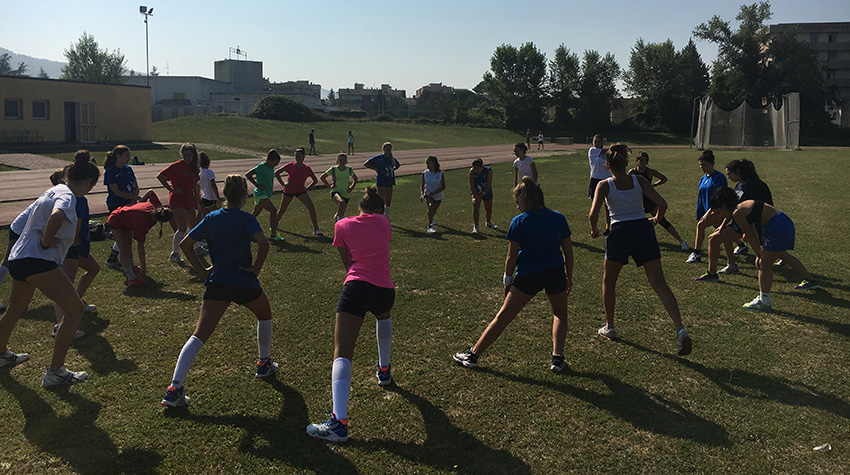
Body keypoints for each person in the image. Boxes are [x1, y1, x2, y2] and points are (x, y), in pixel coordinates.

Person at [161, 175, 277, 407]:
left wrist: (204, 271)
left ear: (224, 193)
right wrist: (255, 269)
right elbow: (263, 243)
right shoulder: (246, 219)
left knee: (198, 335)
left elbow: (185, 244)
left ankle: (174, 388)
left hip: (218, 282)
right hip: (244, 281)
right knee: (265, 316)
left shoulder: (212, 217)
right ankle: (264, 364)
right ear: (244, 197)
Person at [0, 151, 100, 387]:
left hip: (19, 258)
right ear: (87, 182)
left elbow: (21, 222)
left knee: (15, 309)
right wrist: (46, 240)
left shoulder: (52, 190)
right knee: (75, 310)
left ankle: (1, 353)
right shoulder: (68, 196)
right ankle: (55, 371)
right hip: (38, 260)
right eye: (91, 185)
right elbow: (57, 216)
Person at [453, 177, 574, 372]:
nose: (517, 207)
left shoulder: (519, 221)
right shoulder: (558, 218)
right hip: (555, 271)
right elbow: (568, 251)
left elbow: (511, 257)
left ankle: (473, 354)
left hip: (528, 274)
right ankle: (557, 359)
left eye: (518, 202)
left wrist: (507, 281)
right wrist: (569, 275)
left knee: (503, 317)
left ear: (526, 199)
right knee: (560, 314)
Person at [306, 186, 395, 443]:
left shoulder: (342, 225)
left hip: (356, 286)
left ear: (360, 207)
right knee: (383, 318)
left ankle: (339, 423)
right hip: (385, 288)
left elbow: (347, 261)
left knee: (342, 351)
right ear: (378, 209)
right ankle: (384, 370)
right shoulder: (384, 222)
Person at [589, 144, 692, 356]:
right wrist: (655, 221)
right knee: (659, 283)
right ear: (626, 163)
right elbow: (662, 204)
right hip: (643, 229)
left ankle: (610, 326)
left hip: (620, 231)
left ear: (607, 165)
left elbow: (593, 214)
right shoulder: (640, 180)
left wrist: (594, 230)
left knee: (609, 281)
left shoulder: (605, 185)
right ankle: (680, 329)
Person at [708, 187, 818, 312]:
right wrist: (758, 252)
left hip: (778, 228)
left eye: (718, 212)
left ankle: (764, 302)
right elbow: (752, 232)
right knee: (782, 255)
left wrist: (758, 255)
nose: (719, 216)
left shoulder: (737, 212)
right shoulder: (743, 207)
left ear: (724, 206)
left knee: (762, 264)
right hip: (782, 224)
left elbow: (750, 234)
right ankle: (810, 280)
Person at [697, 159, 774, 281]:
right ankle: (730, 265)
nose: (728, 177)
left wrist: (747, 230)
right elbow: (731, 208)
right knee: (716, 237)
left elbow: (764, 208)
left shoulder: (757, 186)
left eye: (729, 174)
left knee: (714, 239)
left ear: (738, 172)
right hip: (739, 223)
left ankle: (713, 273)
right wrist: (722, 226)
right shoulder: (739, 185)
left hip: (753, 224)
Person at [50, 166, 99, 340]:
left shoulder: (72, 197)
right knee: (64, 285)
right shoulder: (71, 198)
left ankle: (77, 302)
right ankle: (60, 325)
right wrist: (74, 237)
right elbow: (74, 221)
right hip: (71, 246)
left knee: (93, 268)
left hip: (76, 244)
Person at [107, 191, 173, 286]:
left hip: (127, 220)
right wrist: (143, 268)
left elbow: (151, 192)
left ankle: (132, 266)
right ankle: (131, 277)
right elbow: (140, 247)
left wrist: (141, 202)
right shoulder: (144, 222)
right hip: (116, 219)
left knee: (128, 244)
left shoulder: (157, 206)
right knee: (123, 248)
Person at [628, 151, 689, 250]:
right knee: (632, 221)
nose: (643, 163)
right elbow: (626, 183)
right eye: (641, 160)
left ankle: (681, 240)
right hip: (637, 201)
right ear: (636, 160)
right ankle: (632, 241)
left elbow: (664, 179)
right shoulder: (632, 172)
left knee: (662, 220)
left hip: (649, 200)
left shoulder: (650, 172)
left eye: (645, 161)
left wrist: (653, 185)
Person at [157, 143, 202, 263]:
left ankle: (197, 247)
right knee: (181, 228)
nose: (187, 157)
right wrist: (171, 189)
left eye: (189, 155)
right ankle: (174, 253)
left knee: (193, 226)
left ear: (193, 155)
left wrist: (197, 200)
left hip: (188, 198)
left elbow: (195, 185)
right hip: (177, 199)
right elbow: (160, 176)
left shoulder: (194, 168)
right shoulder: (176, 166)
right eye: (185, 155)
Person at [103, 145, 141, 269]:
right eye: (126, 156)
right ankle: (126, 265)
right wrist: (132, 197)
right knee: (122, 236)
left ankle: (118, 259)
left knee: (127, 236)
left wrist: (135, 196)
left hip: (129, 205)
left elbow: (135, 185)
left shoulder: (128, 169)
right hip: (116, 206)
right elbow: (116, 191)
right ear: (118, 156)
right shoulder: (111, 171)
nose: (129, 159)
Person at [686, 150, 727, 264]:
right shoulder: (703, 179)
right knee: (723, 232)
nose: (702, 167)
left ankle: (696, 253)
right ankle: (740, 245)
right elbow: (701, 197)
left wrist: (709, 212)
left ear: (712, 164)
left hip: (717, 211)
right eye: (700, 165)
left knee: (701, 226)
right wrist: (700, 211)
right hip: (706, 210)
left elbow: (720, 197)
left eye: (704, 165)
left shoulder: (719, 178)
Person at [275, 147, 322, 236]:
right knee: (282, 209)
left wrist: (307, 188)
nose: (297, 158)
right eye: (296, 156)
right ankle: (274, 224)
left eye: (299, 156)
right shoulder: (290, 165)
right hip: (289, 191)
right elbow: (277, 173)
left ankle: (316, 228)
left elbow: (315, 180)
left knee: (311, 206)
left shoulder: (307, 168)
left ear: (303, 157)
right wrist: (283, 184)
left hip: (300, 191)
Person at [246, 150, 284, 241]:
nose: (276, 165)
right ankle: (273, 234)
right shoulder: (261, 167)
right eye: (276, 162)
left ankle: (243, 228)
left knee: (254, 215)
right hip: (260, 194)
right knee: (273, 211)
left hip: (265, 194)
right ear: (270, 160)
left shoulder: (271, 168)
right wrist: (257, 185)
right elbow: (248, 174)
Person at [363, 142, 400, 220]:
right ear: (383, 149)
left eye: (389, 149)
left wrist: (392, 170)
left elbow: (398, 165)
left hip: (390, 180)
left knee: (388, 201)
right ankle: (379, 216)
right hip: (381, 180)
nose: (388, 151)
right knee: (381, 200)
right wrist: (376, 169)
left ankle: (386, 217)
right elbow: (366, 164)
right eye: (386, 149)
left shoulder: (392, 159)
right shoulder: (379, 158)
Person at [320, 153, 358, 222]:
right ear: (337, 161)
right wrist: (329, 186)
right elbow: (322, 177)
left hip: (346, 193)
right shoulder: (333, 169)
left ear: (346, 161)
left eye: (344, 160)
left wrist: (351, 187)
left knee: (341, 212)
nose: (342, 162)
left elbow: (355, 179)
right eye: (340, 160)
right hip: (335, 191)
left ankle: (337, 217)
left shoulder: (349, 169)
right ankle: (340, 222)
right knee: (341, 202)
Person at [588, 134, 612, 235]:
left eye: (599, 142)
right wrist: (616, 148)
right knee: (596, 206)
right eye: (595, 142)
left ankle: (608, 227)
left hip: (606, 179)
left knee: (608, 206)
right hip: (595, 180)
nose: (597, 144)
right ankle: (595, 228)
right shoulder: (592, 151)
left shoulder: (607, 155)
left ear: (602, 142)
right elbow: (605, 151)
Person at [469, 158, 498, 234]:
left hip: (486, 191)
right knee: (476, 206)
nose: (476, 170)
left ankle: (488, 222)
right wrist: (476, 195)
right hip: (476, 191)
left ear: (482, 167)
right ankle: (476, 226)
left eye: (477, 169)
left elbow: (488, 184)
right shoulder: (472, 171)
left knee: (488, 208)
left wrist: (482, 194)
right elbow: (471, 185)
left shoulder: (488, 171)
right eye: (474, 168)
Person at [420, 156, 446, 233]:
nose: (427, 165)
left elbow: (443, 186)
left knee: (433, 210)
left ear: (434, 163)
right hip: (428, 194)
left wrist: (434, 193)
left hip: (437, 195)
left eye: (429, 163)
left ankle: (431, 219)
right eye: (426, 163)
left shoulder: (441, 173)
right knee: (430, 207)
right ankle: (430, 225)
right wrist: (422, 194)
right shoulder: (425, 173)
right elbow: (422, 186)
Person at [197, 152, 220, 221]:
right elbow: (213, 184)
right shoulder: (209, 172)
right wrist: (218, 197)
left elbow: (198, 188)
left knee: (204, 215)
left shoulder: (200, 174)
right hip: (211, 197)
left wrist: (198, 200)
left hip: (205, 197)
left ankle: (195, 227)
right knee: (214, 216)